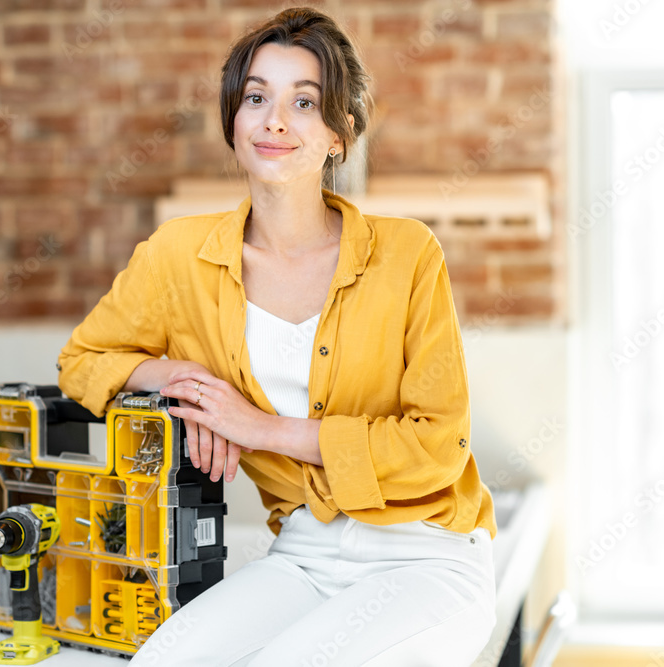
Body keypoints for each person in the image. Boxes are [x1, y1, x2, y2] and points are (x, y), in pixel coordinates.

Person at [57, 6, 497, 665]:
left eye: (305, 101)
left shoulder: (408, 255)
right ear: (233, 118)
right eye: (257, 97)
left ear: (339, 134)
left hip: (427, 553)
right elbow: (83, 359)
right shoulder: (177, 255)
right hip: (304, 553)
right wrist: (177, 377)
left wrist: (257, 426)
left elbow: (438, 445)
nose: (276, 120)